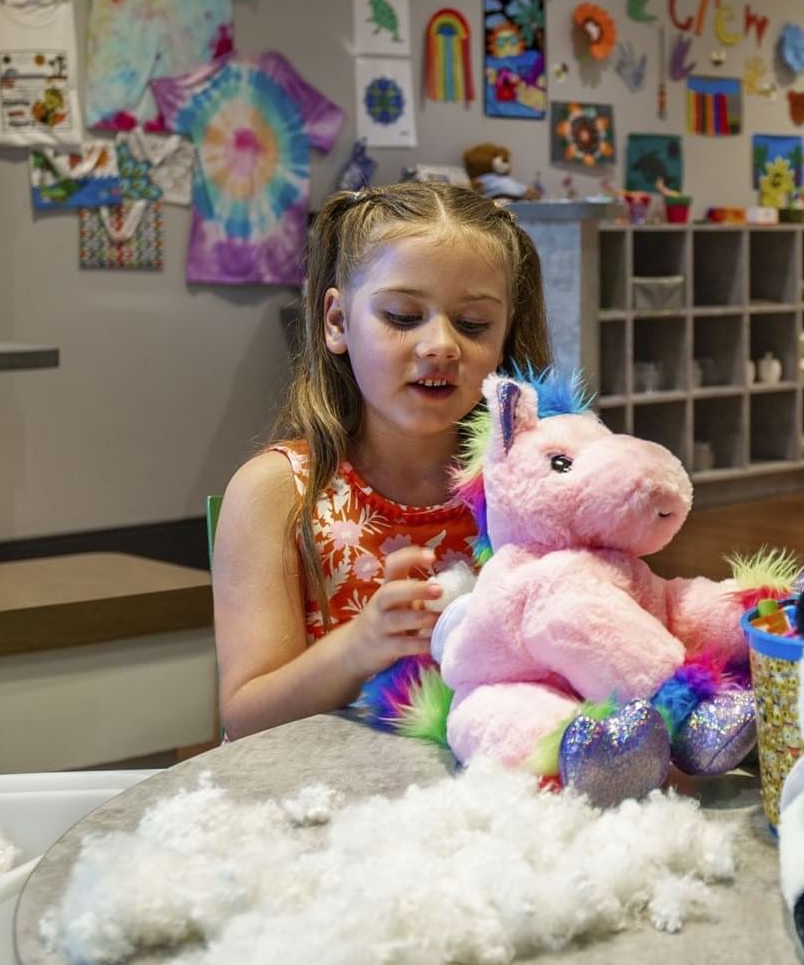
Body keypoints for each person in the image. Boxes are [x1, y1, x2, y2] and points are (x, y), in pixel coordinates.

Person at [213, 183, 552, 739]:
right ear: (338, 322)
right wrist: (362, 645)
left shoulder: (532, 483)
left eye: (473, 325)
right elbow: (247, 716)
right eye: (402, 316)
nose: (441, 344)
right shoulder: (277, 492)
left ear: (505, 336)